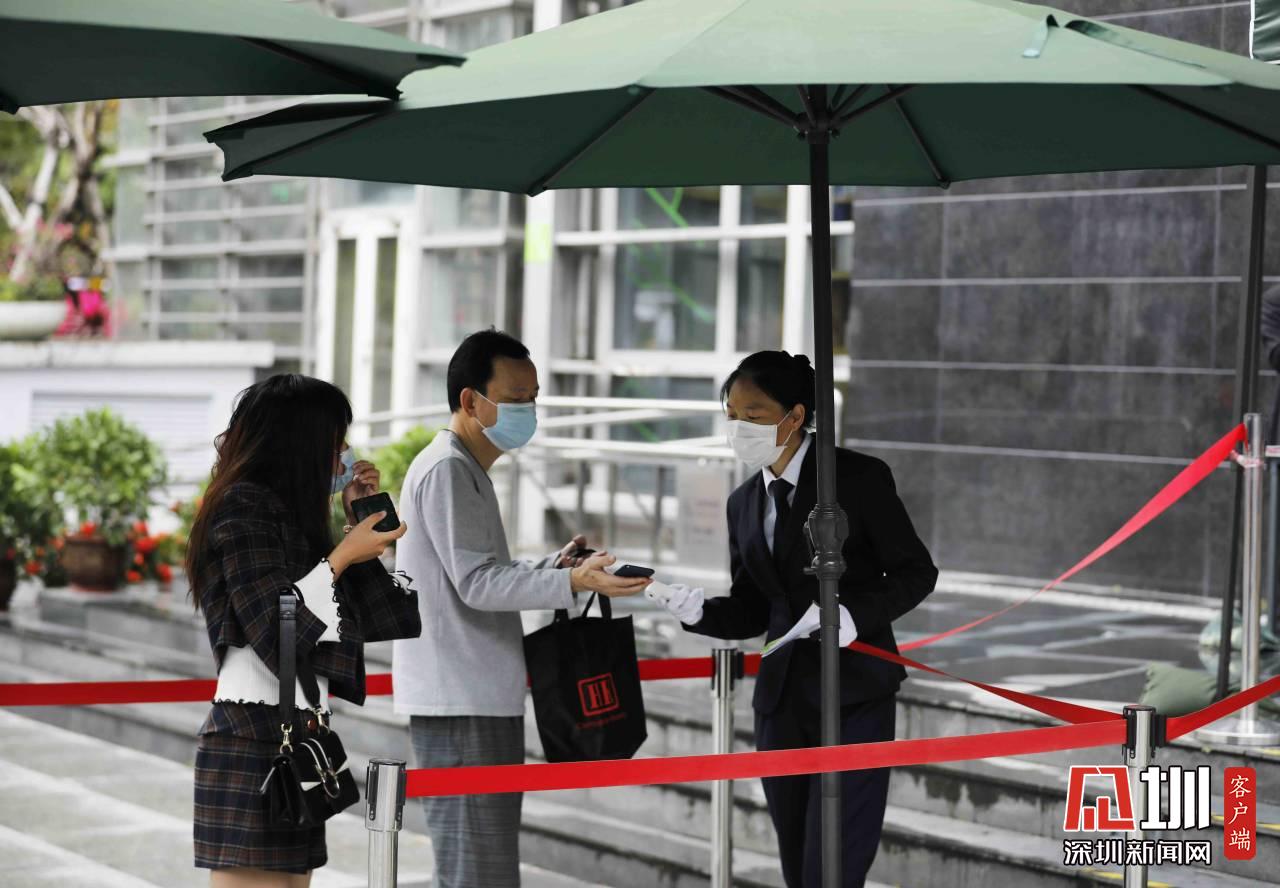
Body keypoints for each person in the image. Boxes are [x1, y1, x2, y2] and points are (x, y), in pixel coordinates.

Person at [655, 350, 937, 888]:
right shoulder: (743, 502)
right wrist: (696, 611)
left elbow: (916, 572)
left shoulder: (855, 478)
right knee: (796, 859)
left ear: (795, 416)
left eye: (753, 414)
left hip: (853, 694)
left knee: (833, 865)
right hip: (781, 704)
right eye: (731, 415)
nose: (738, 428)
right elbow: (753, 606)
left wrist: (852, 616)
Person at [392, 328, 651, 888]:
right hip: (461, 700)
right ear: (470, 401)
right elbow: (478, 584)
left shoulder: (463, 467)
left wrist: (557, 568)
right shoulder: (447, 469)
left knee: (480, 868)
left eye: (534, 397)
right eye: (515, 398)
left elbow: (479, 573)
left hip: (474, 695)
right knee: (476, 873)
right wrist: (571, 582)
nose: (528, 410)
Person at [188, 374, 407, 888]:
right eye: (335, 443)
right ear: (300, 443)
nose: (344, 457)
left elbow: (386, 616)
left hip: (295, 733)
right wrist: (342, 555)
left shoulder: (293, 517)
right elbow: (273, 625)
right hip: (251, 733)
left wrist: (359, 517)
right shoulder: (243, 506)